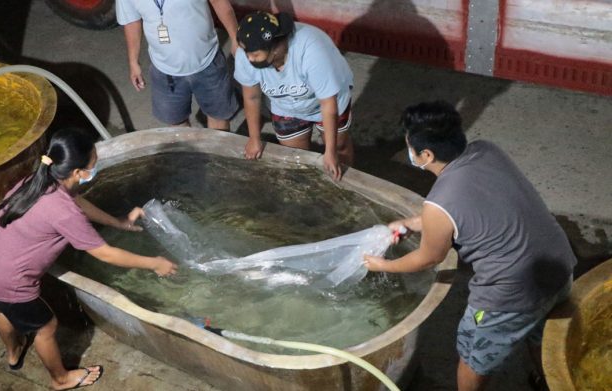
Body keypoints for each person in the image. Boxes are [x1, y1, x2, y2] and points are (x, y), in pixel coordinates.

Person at [363, 101, 576, 391]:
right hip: (559, 265)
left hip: (510, 294)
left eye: (410, 147)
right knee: (543, 333)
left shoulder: (440, 201)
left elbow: (428, 258)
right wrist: (415, 222)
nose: (409, 152)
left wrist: (383, 265)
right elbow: (472, 206)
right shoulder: (487, 150)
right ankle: (545, 381)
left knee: (473, 356)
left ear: (426, 155)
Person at [0, 128, 178, 390]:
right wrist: (155, 263)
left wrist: (119, 223)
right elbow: (104, 253)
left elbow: (79, 203)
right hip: (7, 278)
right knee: (46, 326)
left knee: (2, 308)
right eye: (93, 165)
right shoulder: (63, 211)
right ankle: (60, 379)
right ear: (78, 173)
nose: (94, 169)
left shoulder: (38, 179)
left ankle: (13, 353)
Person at [234, 11, 354, 181]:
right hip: (285, 106)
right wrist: (254, 138)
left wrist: (331, 152)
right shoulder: (245, 54)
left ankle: (344, 182)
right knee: (296, 156)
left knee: (339, 147)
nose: (249, 58)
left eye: (255, 54)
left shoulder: (313, 51)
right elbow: (252, 97)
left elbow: (328, 104)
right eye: (247, 52)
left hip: (327, 101)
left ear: (275, 47)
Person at [116, 0, 239, 130]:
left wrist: (235, 37)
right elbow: (131, 21)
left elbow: (219, 2)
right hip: (164, 70)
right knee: (177, 125)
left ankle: (216, 150)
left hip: (208, 61)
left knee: (218, 118)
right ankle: (188, 149)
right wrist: (133, 61)